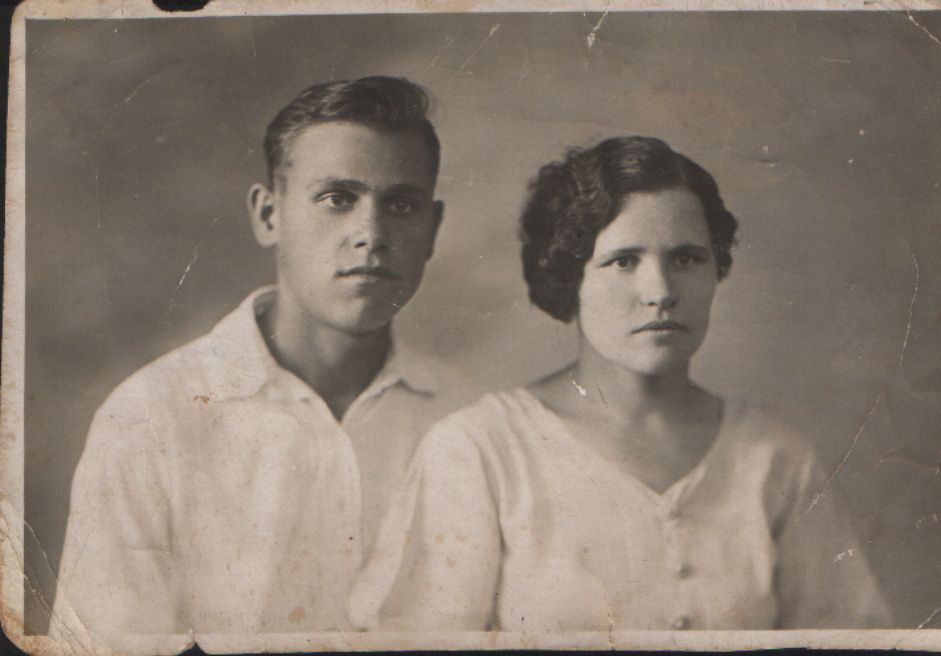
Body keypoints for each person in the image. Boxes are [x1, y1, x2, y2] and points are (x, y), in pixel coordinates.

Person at [349, 136, 892, 631]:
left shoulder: (773, 460)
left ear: (715, 270)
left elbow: (854, 641)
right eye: (623, 261)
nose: (660, 291)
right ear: (570, 277)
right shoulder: (482, 452)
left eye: (686, 258)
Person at [51, 76, 464, 641]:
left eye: (401, 205)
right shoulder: (150, 418)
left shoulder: (466, 420)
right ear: (269, 215)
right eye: (337, 199)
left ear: (433, 229)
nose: (371, 233)